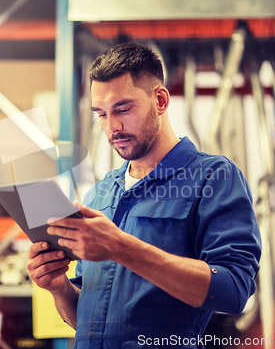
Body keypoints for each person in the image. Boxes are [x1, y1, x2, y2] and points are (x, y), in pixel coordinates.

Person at [27, 42, 261, 348]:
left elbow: (233, 290)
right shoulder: (102, 191)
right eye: (101, 114)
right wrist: (59, 287)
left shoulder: (213, 178)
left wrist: (121, 247)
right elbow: (84, 319)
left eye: (123, 109)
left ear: (160, 100)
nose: (112, 127)